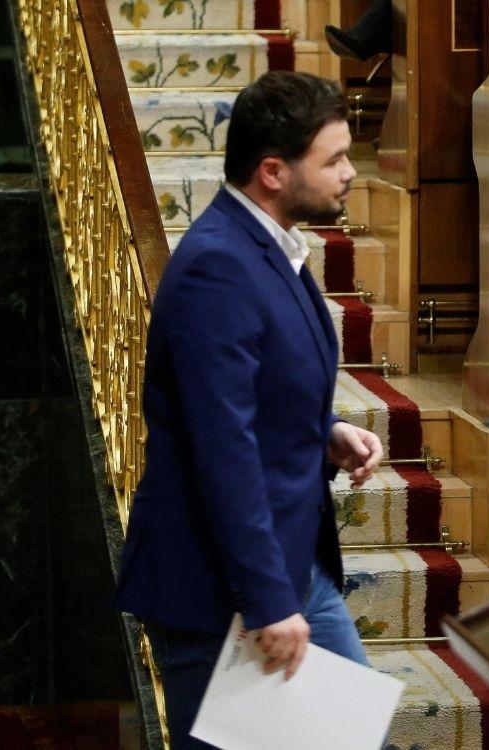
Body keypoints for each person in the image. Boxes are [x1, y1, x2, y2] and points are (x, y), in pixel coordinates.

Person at [112, 71, 384, 749]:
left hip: (290, 566)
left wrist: (324, 433)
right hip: (220, 589)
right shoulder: (219, 267)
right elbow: (220, 447)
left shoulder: (267, 244)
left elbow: (250, 398)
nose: (350, 173)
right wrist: (266, 600)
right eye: (334, 160)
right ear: (272, 171)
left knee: (358, 740)